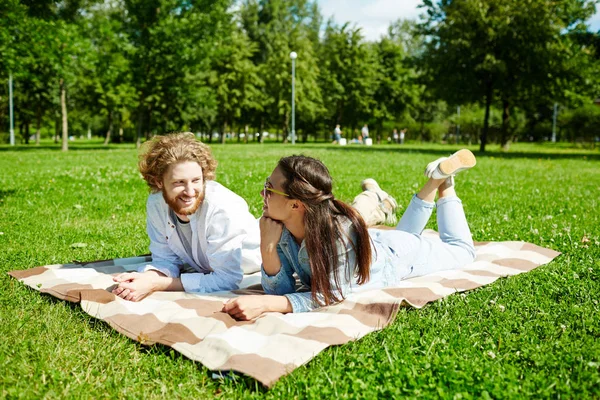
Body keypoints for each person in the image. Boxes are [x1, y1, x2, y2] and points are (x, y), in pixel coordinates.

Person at [223, 149, 477, 320]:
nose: (262, 194)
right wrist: (268, 248)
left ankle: (446, 186)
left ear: (295, 204)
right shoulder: (280, 227)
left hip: (398, 257)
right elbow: (284, 290)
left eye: (269, 188)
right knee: (407, 234)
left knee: (462, 251)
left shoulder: (338, 235)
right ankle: (435, 179)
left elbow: (332, 294)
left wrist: (267, 305)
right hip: (382, 246)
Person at [112, 132, 262, 302]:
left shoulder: (222, 207)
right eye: (179, 182)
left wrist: (158, 284)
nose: (190, 192)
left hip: (261, 258)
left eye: (196, 180)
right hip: (206, 267)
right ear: (159, 182)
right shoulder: (156, 204)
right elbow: (165, 259)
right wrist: (147, 278)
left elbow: (226, 280)